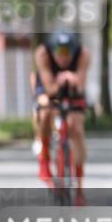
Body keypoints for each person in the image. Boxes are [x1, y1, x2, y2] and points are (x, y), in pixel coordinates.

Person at [33, 31, 90, 201]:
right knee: (44, 113)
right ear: (53, 50)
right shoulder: (43, 54)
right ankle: (44, 160)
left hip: (72, 91)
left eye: (68, 53)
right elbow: (49, 88)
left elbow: (80, 86)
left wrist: (74, 80)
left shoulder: (83, 54)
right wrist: (59, 80)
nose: (64, 58)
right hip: (48, 85)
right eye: (60, 53)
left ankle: (79, 190)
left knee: (77, 129)